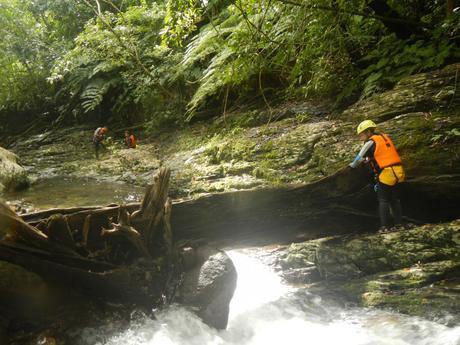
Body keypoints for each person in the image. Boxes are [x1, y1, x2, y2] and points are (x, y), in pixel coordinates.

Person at [349, 120, 407, 232]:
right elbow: (379, 155)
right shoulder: (385, 137)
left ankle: (385, 227)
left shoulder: (370, 142)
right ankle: (399, 224)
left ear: (368, 132)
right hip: (399, 172)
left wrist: (351, 166)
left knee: (383, 200)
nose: (360, 136)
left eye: (361, 134)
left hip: (386, 174)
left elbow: (357, 159)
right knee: (394, 200)